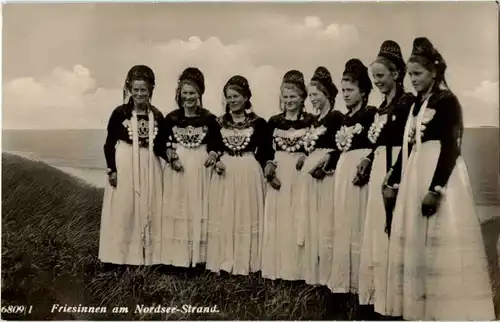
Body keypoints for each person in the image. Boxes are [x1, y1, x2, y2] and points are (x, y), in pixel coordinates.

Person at [383, 37, 495, 320]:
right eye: (410, 75)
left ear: (434, 72)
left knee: (440, 241)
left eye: (418, 74)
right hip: (415, 172)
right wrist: (393, 179)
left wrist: (436, 189)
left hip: (439, 175)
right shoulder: (416, 105)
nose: (413, 80)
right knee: (417, 242)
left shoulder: (448, 101)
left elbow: (451, 147)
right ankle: (420, 309)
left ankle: (446, 311)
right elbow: (407, 149)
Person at [357, 40, 416, 316]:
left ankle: (397, 301)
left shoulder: (407, 104)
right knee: (378, 228)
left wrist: (394, 178)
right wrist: (369, 158)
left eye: (381, 76)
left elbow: (409, 143)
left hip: (397, 167)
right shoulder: (380, 108)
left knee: (393, 227)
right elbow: (378, 141)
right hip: (380, 163)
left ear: (396, 74)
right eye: (373, 78)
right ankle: (378, 298)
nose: (377, 82)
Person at [206, 75, 272, 276]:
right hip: (226, 170)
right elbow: (214, 146)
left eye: (236, 96)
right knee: (226, 213)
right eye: (229, 97)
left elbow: (266, 150)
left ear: (246, 97)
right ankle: (225, 261)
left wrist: (268, 164)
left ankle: (248, 262)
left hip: (248, 170)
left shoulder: (259, 123)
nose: (232, 100)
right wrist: (215, 159)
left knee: (246, 212)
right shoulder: (218, 122)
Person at [99, 65, 164, 267]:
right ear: (129, 90)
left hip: (149, 164)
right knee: (124, 206)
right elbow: (109, 144)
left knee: (149, 204)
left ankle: (148, 257)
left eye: (143, 90)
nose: (139, 94)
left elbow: (161, 145)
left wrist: (172, 158)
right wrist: (112, 169)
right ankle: (118, 257)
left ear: (150, 90)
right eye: (135, 90)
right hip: (125, 161)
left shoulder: (157, 115)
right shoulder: (120, 113)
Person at [160, 67, 223, 270]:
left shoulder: (209, 119)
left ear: (200, 94)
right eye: (185, 93)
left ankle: (198, 258)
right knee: (177, 206)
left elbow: (218, 143)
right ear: (179, 93)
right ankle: (176, 258)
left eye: (192, 93)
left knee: (198, 206)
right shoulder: (170, 119)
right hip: (178, 167)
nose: (188, 97)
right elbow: (160, 144)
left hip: (200, 167)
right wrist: (170, 156)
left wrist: (213, 154)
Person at [261, 70, 315, 282]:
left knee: (298, 216)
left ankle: (299, 271)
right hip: (280, 173)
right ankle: (279, 269)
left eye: (293, 96)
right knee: (280, 218)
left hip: (301, 173)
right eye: (285, 97)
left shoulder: (311, 121)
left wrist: (306, 155)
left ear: (302, 97)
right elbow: (264, 149)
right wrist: (268, 166)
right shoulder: (273, 122)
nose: (289, 101)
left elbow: (317, 144)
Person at [328, 59, 377, 295]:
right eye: (343, 90)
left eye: (350, 90)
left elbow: (378, 145)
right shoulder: (345, 118)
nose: (345, 95)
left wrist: (367, 162)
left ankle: (361, 283)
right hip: (343, 170)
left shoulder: (370, 115)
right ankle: (343, 282)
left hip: (360, 170)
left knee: (359, 221)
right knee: (345, 221)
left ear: (364, 91)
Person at [300, 66, 344, 286]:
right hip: (310, 177)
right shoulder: (314, 121)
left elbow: (341, 146)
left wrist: (326, 161)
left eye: (315, 95)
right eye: (309, 96)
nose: (312, 100)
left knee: (326, 222)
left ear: (327, 94)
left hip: (326, 177)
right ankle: (314, 274)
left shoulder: (336, 118)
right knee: (313, 222)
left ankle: (328, 274)